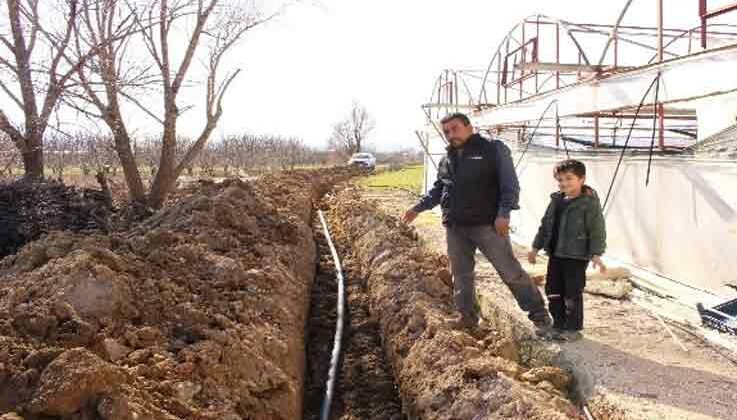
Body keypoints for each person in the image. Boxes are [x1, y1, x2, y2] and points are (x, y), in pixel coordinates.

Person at [402, 113, 552, 336]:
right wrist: (417, 208)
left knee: (509, 271)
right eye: (447, 132)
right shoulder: (447, 159)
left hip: (487, 225)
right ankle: (466, 317)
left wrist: (504, 214)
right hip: (455, 226)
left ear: (469, 127)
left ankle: (539, 315)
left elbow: (510, 185)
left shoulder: (492, 149)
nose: (451, 135)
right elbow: (438, 190)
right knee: (461, 274)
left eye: (455, 129)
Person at [527, 159, 607, 341]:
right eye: (560, 180)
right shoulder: (556, 200)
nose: (564, 183)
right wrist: (535, 247)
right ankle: (558, 324)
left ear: (582, 179)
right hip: (555, 254)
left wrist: (596, 253)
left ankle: (572, 328)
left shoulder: (588, 203)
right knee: (553, 289)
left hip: (576, 256)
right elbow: (545, 225)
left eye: (569, 178)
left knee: (572, 292)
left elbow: (597, 229)